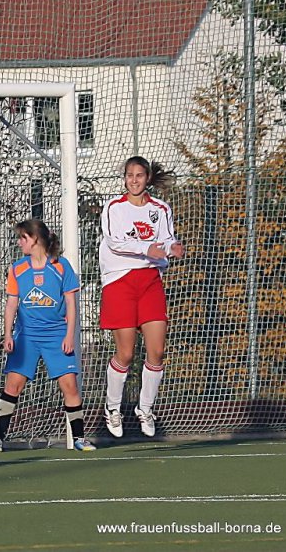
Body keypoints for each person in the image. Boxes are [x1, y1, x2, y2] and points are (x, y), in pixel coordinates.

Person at [0, 219, 95, 453]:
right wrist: (8, 334)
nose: (19, 242)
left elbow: (71, 304)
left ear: (35, 239)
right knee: (13, 385)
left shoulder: (61, 266)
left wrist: (69, 335)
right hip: (27, 336)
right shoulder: (17, 268)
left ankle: (79, 438)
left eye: (23, 238)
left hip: (56, 334)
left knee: (70, 385)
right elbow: (11, 304)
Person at [100, 156, 185, 438]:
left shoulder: (160, 208)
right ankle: (113, 408)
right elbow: (115, 242)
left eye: (139, 175)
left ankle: (145, 409)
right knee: (125, 353)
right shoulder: (114, 207)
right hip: (120, 281)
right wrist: (146, 249)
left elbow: (167, 239)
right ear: (124, 178)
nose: (134, 180)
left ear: (147, 177)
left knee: (157, 351)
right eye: (129, 175)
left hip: (150, 281)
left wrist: (174, 247)